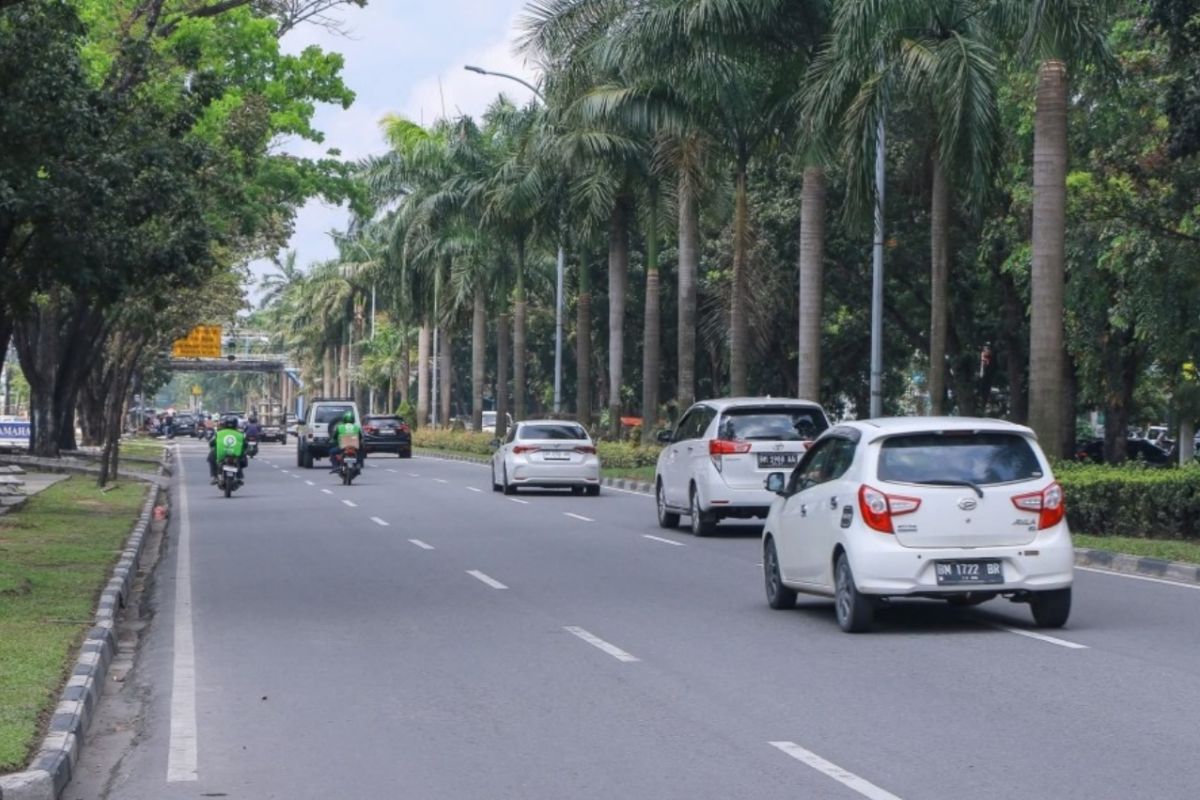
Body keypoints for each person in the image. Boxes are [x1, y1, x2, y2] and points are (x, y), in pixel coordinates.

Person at [209, 415, 247, 484]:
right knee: (242, 459)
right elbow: (245, 445)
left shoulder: (219, 433)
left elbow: (211, 443)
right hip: (235, 455)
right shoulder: (240, 434)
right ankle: (239, 476)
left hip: (221, 454)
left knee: (211, 458)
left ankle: (215, 477)